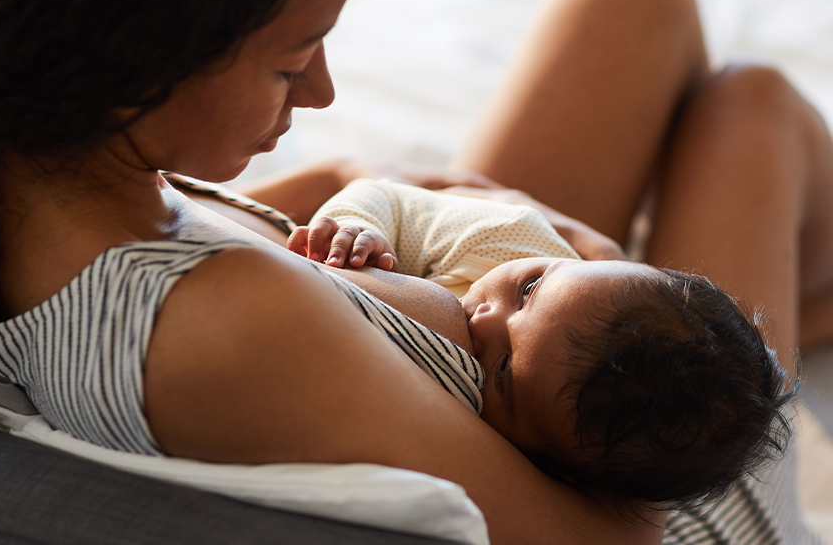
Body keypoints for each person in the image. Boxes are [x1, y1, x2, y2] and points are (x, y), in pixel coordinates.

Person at [0, 0, 829, 543]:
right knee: (756, 104)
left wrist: (388, 205)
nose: (322, 91)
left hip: (484, 314)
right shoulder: (229, 324)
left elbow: (319, 205)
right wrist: (588, 257)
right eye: (293, 59)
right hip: (681, 480)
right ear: (143, 62)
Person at [286, 177, 793, 510]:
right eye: (528, 290)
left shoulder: (525, 463)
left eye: (505, 370)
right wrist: (361, 225)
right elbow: (389, 196)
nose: (483, 320)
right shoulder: (513, 238)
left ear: (546, 463)